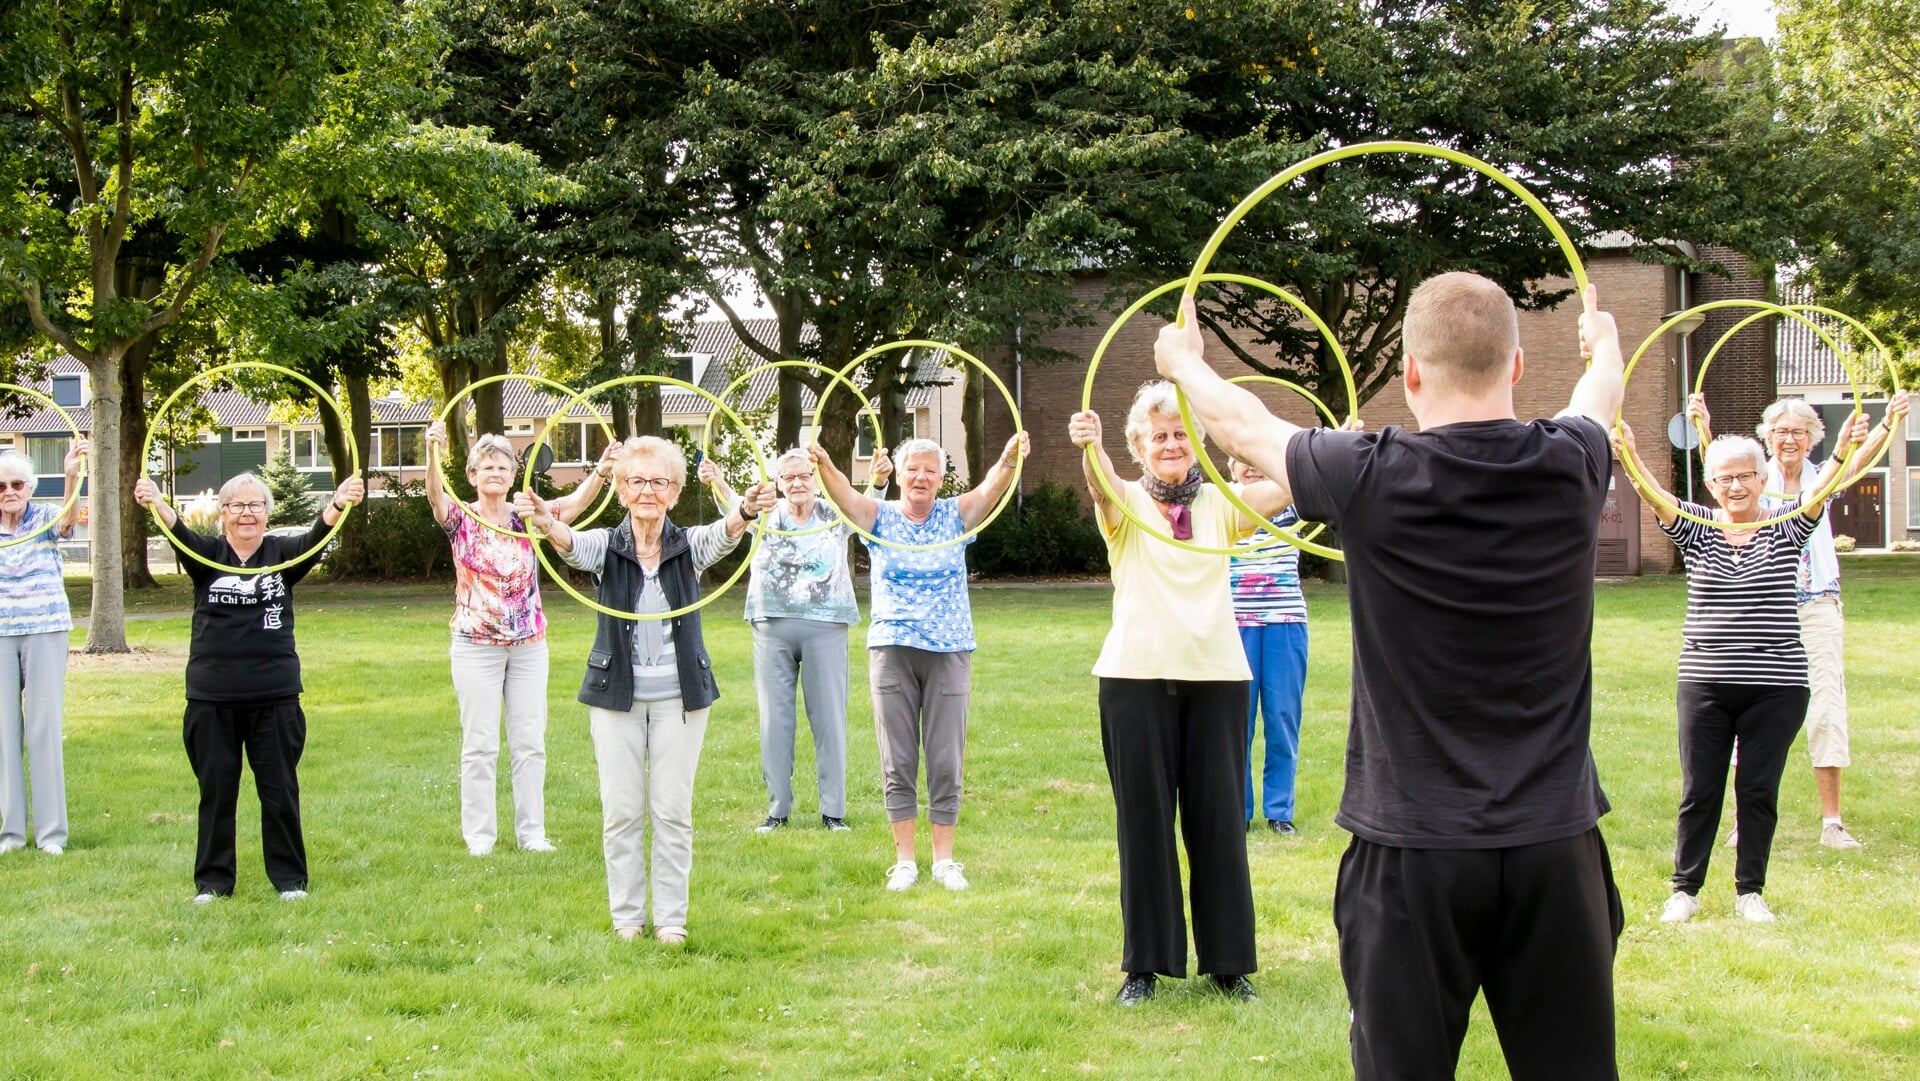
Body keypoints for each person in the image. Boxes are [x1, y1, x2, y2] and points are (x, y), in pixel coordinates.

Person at [1154, 276, 1627, 1079]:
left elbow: (1239, 421)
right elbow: (1601, 392)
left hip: (1413, 853)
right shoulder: (1573, 460)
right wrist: (1604, 339)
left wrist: (1182, 361)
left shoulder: (1368, 473)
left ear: (1408, 372)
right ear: (1516, 367)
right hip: (1554, 848)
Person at [1068, 385, 1294, 1006]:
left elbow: (1287, 481)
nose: (1171, 445)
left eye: (1181, 435)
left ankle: (1228, 966)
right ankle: (1144, 965)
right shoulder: (1128, 501)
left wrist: (1329, 447)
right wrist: (1091, 444)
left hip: (1217, 678)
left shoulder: (1224, 504)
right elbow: (1100, 480)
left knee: (1219, 824)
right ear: (1141, 447)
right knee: (1144, 827)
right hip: (1135, 678)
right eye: (1159, 436)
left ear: (1197, 444)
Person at [1616, 411, 1879, 923]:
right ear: (1711, 483)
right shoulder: (1698, 530)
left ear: (1764, 480)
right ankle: (1684, 890)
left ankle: (1749, 893)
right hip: (1705, 681)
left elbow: (1823, 488)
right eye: (1724, 478)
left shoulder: (1785, 528)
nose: (1735, 486)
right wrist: (1627, 453)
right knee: (1700, 789)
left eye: (1745, 476)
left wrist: (1846, 449)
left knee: (1758, 790)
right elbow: (1656, 498)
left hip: (1776, 685)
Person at [517, 436, 774, 945]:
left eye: (659, 482)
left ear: (676, 491)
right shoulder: (608, 546)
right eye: (637, 482)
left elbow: (724, 535)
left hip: (681, 698)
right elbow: (571, 543)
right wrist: (545, 522)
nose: (648, 491)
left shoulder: (686, 545)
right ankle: (628, 920)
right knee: (621, 812)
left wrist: (745, 507)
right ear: (622, 490)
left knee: (672, 812)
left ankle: (672, 921)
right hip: (617, 697)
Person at [1689, 390, 1910, 850]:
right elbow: (1720, 473)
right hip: (1760, 608)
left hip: (1817, 602)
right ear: (1767, 436)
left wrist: (1887, 424)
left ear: (1813, 438)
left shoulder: (1819, 475)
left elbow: (1854, 461)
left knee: (1827, 706)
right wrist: (1703, 430)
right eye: (1781, 431)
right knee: (1741, 710)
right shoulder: (1754, 472)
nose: (1789, 439)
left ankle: (1832, 822)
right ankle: (1741, 822)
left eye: (1799, 431)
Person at [133, 468, 365, 903]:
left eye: (255, 506)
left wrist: (338, 502)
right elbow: (177, 529)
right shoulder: (207, 555)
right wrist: (154, 500)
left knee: (280, 791)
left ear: (266, 513)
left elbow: (315, 539)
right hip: (212, 696)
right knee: (216, 792)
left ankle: (290, 881)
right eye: (236, 506)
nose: (246, 514)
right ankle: (213, 883)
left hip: (274, 694)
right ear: (223, 514)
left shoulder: (281, 555)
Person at [809, 432, 1027, 893]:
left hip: (949, 649)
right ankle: (904, 861)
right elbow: (846, 497)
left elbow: (990, 489)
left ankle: (945, 861)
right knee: (898, 760)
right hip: (892, 647)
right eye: (912, 469)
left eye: (930, 469)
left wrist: (1008, 458)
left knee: (946, 759)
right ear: (901, 475)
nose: (920, 477)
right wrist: (825, 461)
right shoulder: (880, 517)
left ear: (941, 477)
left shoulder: (955, 515)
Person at [730, 446, 892, 835]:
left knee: (830, 720)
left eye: (804, 475)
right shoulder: (765, 513)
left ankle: (833, 811)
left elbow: (866, 510)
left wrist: (882, 480)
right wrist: (715, 478)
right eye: (789, 477)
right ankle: (777, 811)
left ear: (816, 480)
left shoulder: (834, 511)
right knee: (775, 721)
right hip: (772, 624)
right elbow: (732, 515)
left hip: (826, 624)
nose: (797, 483)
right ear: (779, 484)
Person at [1226, 435, 1353, 836]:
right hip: (1235, 626)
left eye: (1256, 459)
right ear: (1229, 466)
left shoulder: (1289, 501)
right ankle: (1238, 811)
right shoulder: (1222, 503)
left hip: (1285, 623)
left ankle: (1279, 810)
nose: (1250, 466)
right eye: (1241, 459)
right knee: (1236, 723)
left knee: (1283, 720)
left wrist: (1340, 439)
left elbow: (1328, 481)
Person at [0, 441, 86, 856]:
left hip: (45, 629)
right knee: (3, 732)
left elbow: (71, 519)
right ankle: (11, 834)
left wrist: (72, 474)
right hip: (1, 633)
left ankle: (51, 835)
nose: (9, 492)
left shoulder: (45, 516)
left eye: (17, 484)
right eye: (0, 486)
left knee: (44, 728)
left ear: (30, 487)